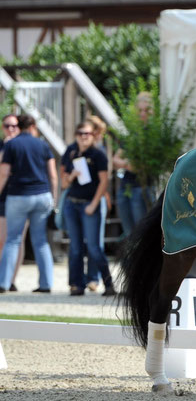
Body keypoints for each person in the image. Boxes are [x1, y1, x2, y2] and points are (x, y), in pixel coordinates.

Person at [0, 115, 57, 293]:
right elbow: (53, 175)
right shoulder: (42, 144)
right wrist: (54, 200)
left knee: (12, 240)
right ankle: (46, 284)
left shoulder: (11, 145)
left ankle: (3, 282)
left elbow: (4, 173)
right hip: (42, 195)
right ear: (32, 126)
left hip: (18, 195)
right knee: (41, 241)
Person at [61, 121, 116, 296]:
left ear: (93, 135)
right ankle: (76, 285)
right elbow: (63, 183)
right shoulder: (70, 152)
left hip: (90, 204)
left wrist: (93, 204)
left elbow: (104, 181)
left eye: (87, 133)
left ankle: (108, 284)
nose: (83, 136)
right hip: (72, 203)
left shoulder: (98, 154)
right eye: (80, 133)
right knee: (75, 247)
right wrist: (71, 176)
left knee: (94, 247)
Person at [112, 93, 153, 237]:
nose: (142, 114)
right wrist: (129, 164)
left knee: (141, 233)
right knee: (129, 233)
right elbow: (115, 160)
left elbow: (144, 165)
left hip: (142, 188)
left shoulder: (152, 135)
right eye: (139, 110)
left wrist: (128, 164)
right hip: (126, 186)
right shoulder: (132, 135)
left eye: (146, 110)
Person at [83, 115, 111, 291]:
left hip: (96, 198)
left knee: (95, 244)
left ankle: (96, 278)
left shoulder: (98, 149)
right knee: (93, 243)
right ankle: (92, 278)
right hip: (94, 197)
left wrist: (105, 196)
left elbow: (103, 178)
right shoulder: (91, 148)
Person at [0, 113, 25, 291]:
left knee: (17, 239)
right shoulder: (3, 146)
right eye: (7, 125)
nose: (10, 129)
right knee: (2, 239)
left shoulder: (24, 145)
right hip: (3, 197)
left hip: (20, 196)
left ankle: (12, 279)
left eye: (14, 126)